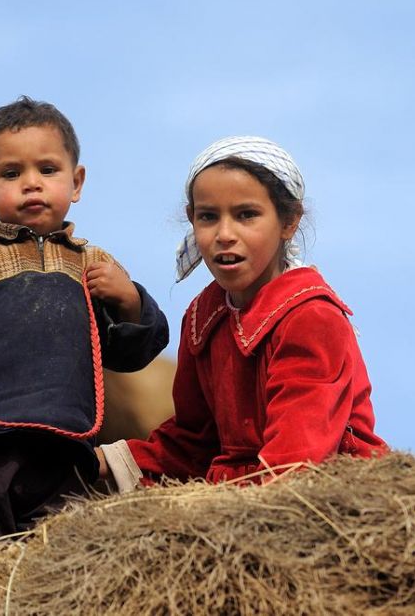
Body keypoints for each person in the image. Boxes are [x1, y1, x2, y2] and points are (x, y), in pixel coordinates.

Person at [0, 96, 168, 549]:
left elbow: (131, 351)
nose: (32, 184)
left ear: (76, 182)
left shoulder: (93, 264)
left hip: (65, 446)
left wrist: (131, 300)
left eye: (48, 170)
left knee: (61, 562)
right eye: (11, 173)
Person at [97, 136, 386, 490]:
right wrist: (105, 461)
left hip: (325, 498)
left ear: (289, 221)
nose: (224, 234)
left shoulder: (311, 319)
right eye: (208, 217)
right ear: (192, 220)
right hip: (233, 499)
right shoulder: (202, 318)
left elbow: (298, 461)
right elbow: (193, 441)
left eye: (246, 215)